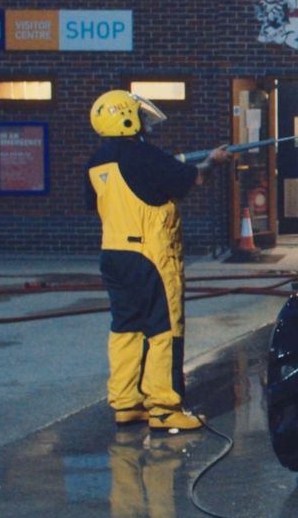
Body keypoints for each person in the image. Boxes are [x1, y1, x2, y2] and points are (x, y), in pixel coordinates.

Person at [86, 90, 229, 434]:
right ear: (126, 118)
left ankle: (126, 404)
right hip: (150, 255)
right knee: (164, 330)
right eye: (139, 115)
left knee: (126, 329)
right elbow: (192, 178)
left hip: (114, 255)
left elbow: (95, 204)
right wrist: (213, 161)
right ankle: (165, 408)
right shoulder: (142, 155)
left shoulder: (97, 161)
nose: (145, 121)